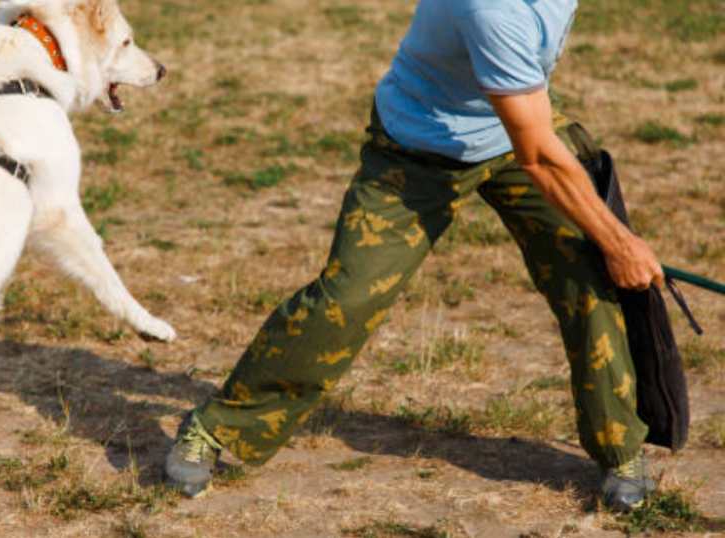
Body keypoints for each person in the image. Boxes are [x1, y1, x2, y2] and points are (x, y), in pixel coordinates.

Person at [164, 0, 665, 511]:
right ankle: (214, 427)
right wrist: (620, 240)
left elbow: (531, 128)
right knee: (348, 297)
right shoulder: (491, 9)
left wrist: (607, 245)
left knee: (588, 275)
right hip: (419, 147)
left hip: (513, 130)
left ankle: (620, 446)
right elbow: (538, 153)